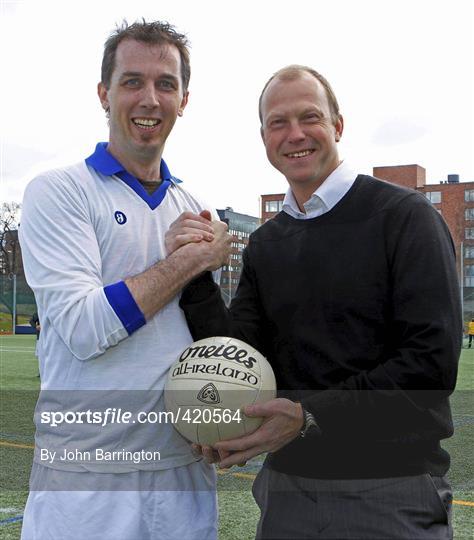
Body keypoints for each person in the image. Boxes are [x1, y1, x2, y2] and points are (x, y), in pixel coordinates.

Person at [168, 65, 462, 539]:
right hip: (288, 491)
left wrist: (309, 416)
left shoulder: (404, 217)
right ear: (263, 136)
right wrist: (194, 273)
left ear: (337, 126)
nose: (295, 134)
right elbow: (239, 354)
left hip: (389, 489)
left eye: (310, 118)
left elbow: (430, 366)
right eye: (278, 122)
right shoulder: (267, 243)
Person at [19, 20, 230, 540]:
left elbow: (205, 343)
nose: (149, 99)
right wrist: (187, 262)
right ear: (103, 93)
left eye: (166, 84)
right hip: (88, 481)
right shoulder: (59, 191)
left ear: (184, 100)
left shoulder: (193, 208)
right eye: (132, 81)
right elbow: (84, 330)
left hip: (183, 478)